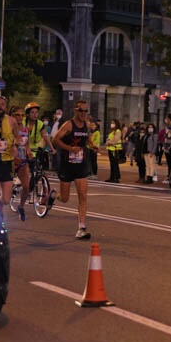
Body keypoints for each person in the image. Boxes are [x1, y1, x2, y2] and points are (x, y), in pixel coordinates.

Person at [51, 99, 96, 239]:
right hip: (67, 165)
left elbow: (86, 138)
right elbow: (55, 140)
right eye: (81, 110)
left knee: (83, 196)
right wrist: (70, 148)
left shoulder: (86, 125)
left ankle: (81, 227)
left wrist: (92, 145)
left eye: (85, 111)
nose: (83, 113)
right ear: (75, 111)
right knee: (64, 198)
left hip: (81, 165)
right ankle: (53, 195)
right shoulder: (68, 125)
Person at [9, 105, 30, 221]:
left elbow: (27, 142)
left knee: (26, 186)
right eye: (17, 115)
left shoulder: (25, 129)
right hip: (9, 161)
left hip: (22, 160)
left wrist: (29, 151)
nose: (20, 117)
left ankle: (21, 206)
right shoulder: (7, 128)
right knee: (5, 192)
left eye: (22, 115)